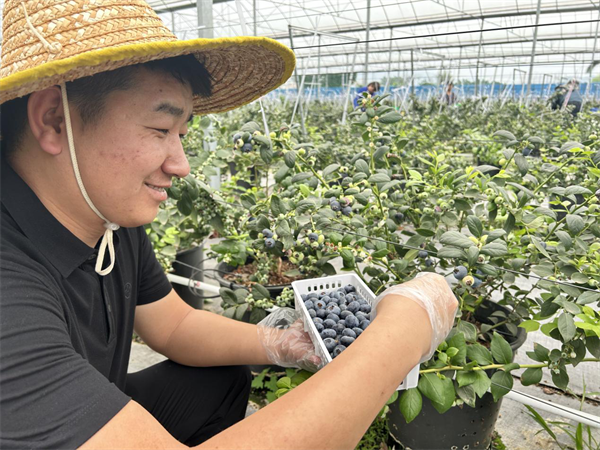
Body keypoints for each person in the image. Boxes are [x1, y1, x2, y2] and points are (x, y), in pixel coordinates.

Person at [0, 1, 458, 449]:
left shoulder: (107, 220)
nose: (181, 165)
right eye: (160, 130)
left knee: (222, 376)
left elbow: (173, 326)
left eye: (182, 135)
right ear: (55, 120)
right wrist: (399, 337)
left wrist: (282, 342)